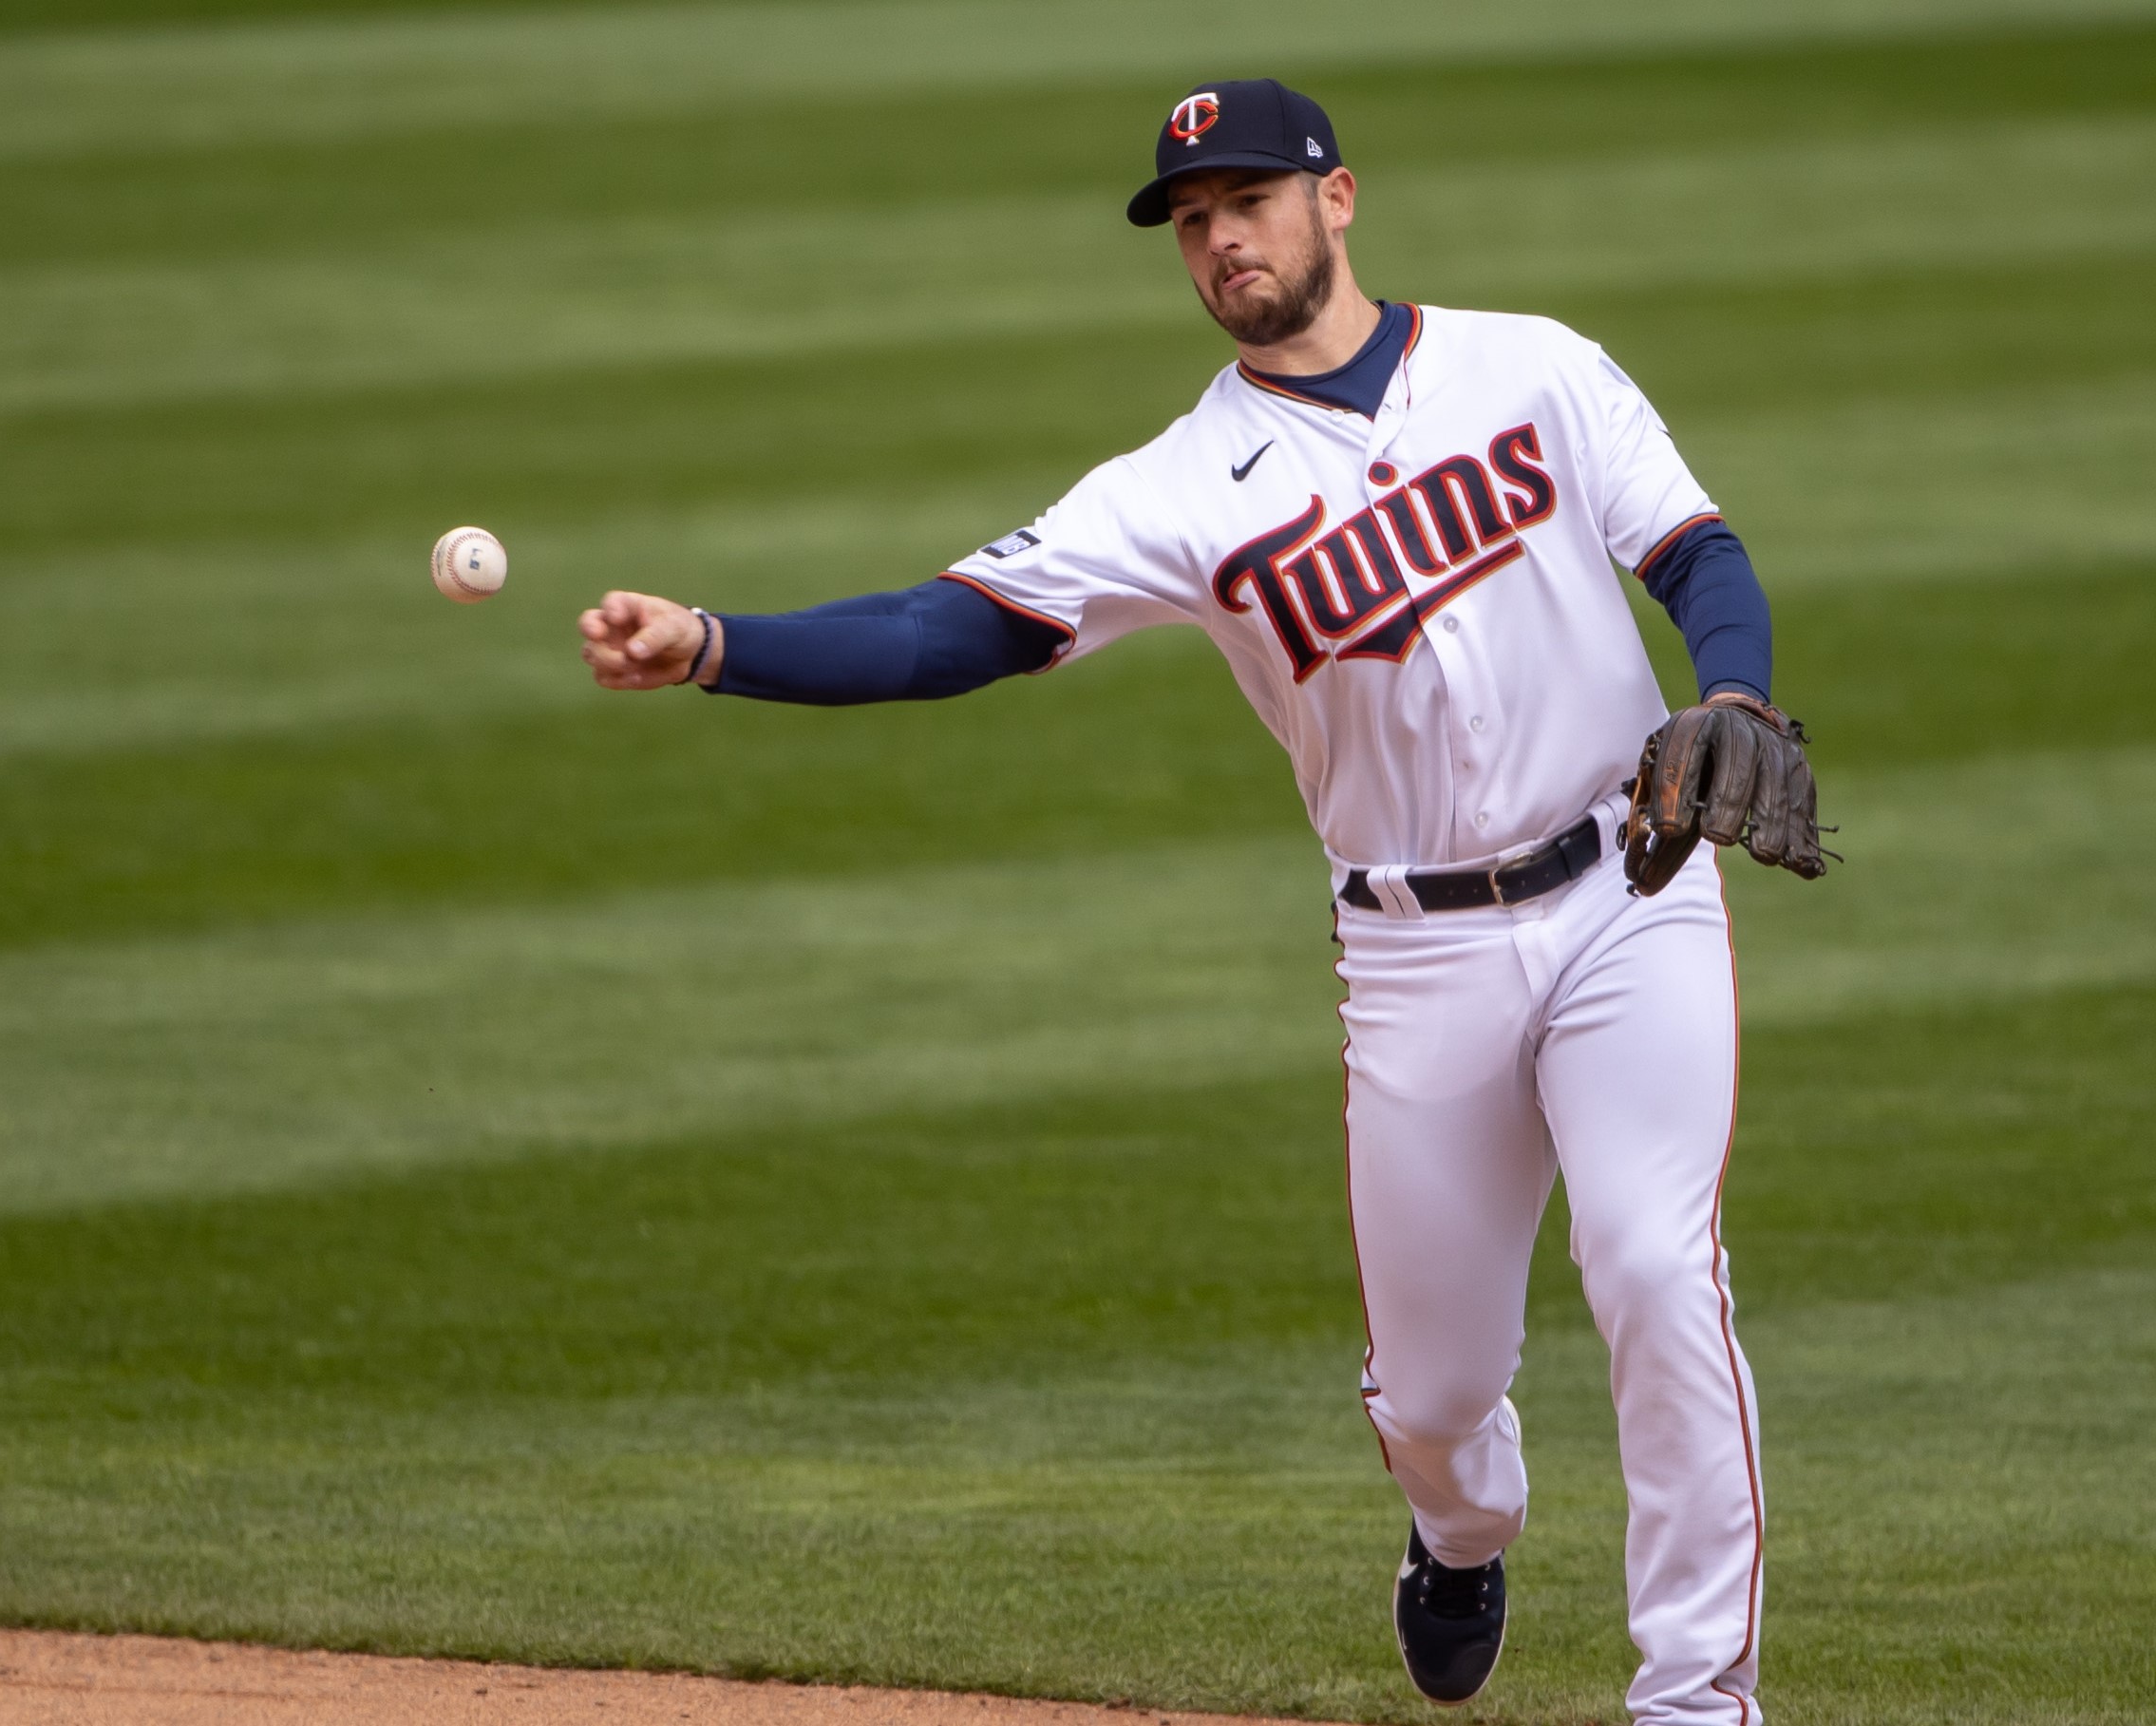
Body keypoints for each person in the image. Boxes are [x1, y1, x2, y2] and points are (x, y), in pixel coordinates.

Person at [577, 78, 1823, 1726]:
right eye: (1189, 217)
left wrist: (1728, 692)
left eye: (1247, 199)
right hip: (1415, 954)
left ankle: (1695, 1700)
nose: (1220, 236)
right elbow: (951, 628)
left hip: (1625, 893)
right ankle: (1459, 1530)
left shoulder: (1533, 367)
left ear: (1336, 198)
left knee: (1657, 1268)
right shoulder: (1176, 485)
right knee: (1434, 1396)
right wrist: (718, 644)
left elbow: (1694, 553)